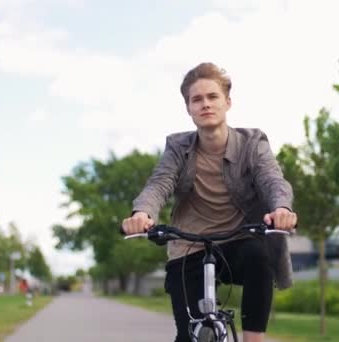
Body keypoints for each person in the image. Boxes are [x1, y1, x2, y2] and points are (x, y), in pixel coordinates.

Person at [121, 62, 297, 342]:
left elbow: (272, 180)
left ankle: (254, 339)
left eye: (212, 97)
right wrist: (142, 213)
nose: (205, 104)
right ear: (188, 108)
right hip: (188, 245)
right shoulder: (178, 148)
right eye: (197, 99)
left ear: (227, 102)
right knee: (188, 335)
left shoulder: (252, 143)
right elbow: (159, 183)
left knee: (258, 256)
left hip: (237, 241)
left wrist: (282, 208)